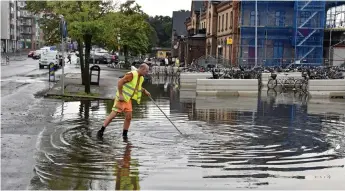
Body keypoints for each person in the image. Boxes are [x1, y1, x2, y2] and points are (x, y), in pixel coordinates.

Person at [97, 63, 151, 138]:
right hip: (121, 98)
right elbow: (120, 82)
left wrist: (144, 91)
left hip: (127, 99)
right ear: (142, 69)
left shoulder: (140, 77)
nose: (147, 73)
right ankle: (101, 130)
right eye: (146, 71)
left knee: (129, 117)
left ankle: (124, 134)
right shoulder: (131, 75)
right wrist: (121, 95)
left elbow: (136, 86)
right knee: (113, 115)